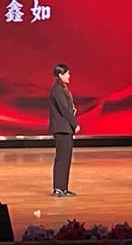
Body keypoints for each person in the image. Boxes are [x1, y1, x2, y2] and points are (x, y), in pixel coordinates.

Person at [48, 63, 80, 197]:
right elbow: (64, 110)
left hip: (65, 129)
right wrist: (75, 124)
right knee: (62, 158)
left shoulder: (61, 88)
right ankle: (58, 188)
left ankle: (63, 187)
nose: (69, 76)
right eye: (67, 73)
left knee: (66, 159)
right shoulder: (58, 90)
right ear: (60, 75)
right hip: (62, 128)